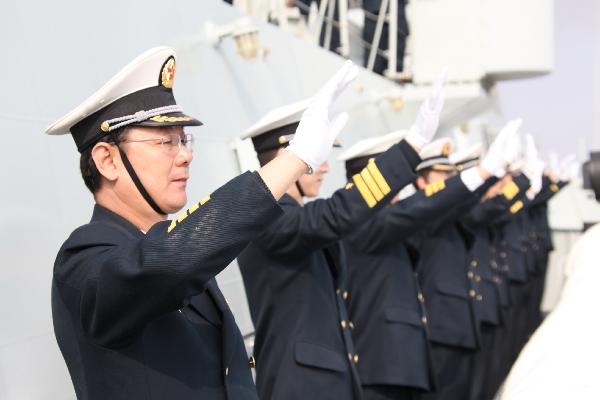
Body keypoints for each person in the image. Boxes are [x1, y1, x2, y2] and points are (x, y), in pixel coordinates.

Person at [47, 46, 358, 400]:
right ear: (107, 160)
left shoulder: (168, 248)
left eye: (184, 139)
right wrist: (292, 161)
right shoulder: (84, 260)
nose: (185, 154)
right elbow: (167, 262)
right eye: (165, 140)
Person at [236, 71, 447, 400]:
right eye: (314, 157)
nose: (324, 167)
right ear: (284, 158)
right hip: (301, 388)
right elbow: (336, 214)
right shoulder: (268, 217)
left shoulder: (292, 216)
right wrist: (410, 148)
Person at [338, 129, 514, 400]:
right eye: (390, 177)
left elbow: (435, 206)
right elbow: (419, 208)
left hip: (403, 361)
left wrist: (483, 177)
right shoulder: (365, 223)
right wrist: (479, 174)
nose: (397, 184)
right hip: (382, 362)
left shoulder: (384, 220)